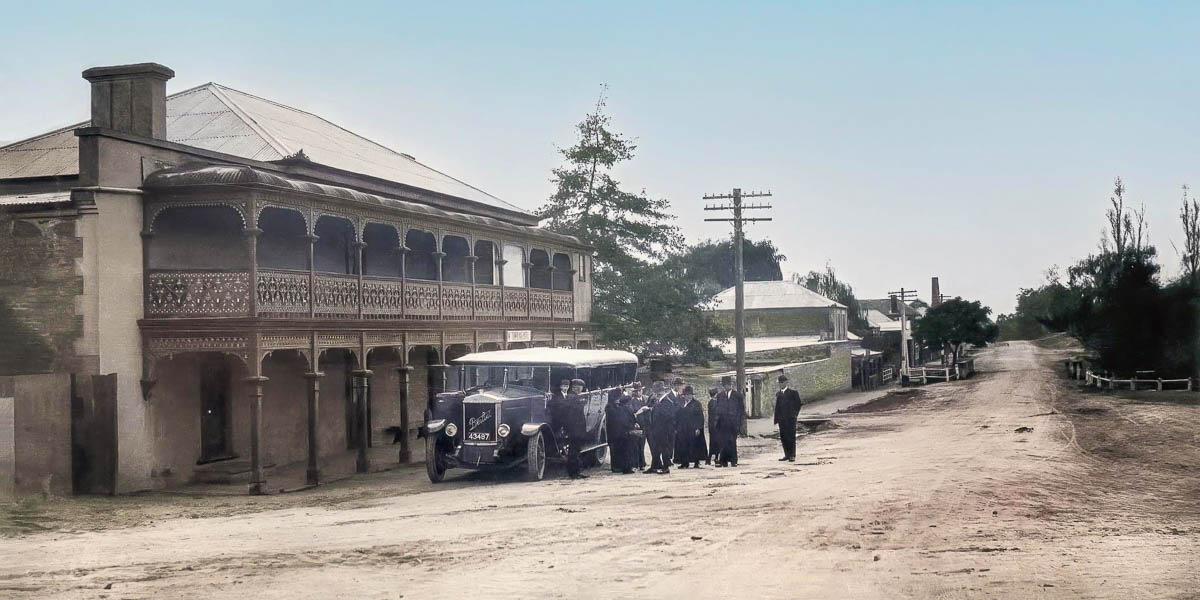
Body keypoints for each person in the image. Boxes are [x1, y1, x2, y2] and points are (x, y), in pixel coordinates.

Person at [550, 378, 588, 479]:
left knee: (575, 451)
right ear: (575, 387)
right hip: (575, 429)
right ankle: (574, 473)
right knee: (574, 452)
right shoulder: (573, 398)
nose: (580, 389)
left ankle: (576, 472)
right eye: (579, 387)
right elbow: (570, 415)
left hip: (575, 429)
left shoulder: (571, 397)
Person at [713, 376, 744, 467]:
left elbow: (741, 410)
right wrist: (717, 422)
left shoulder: (737, 396)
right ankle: (723, 461)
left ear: (731, 385)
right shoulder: (720, 396)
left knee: (732, 441)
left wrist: (739, 423)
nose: (726, 387)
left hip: (733, 423)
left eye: (728, 385)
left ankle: (733, 460)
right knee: (723, 442)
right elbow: (718, 409)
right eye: (725, 385)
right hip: (723, 423)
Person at [647, 381, 677, 474]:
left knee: (664, 448)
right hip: (657, 429)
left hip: (664, 430)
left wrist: (657, 407)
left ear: (662, 392)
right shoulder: (659, 402)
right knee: (656, 449)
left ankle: (666, 467)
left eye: (658, 392)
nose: (656, 394)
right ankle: (654, 466)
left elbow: (669, 416)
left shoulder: (667, 402)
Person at [675, 386, 707, 468]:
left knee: (695, 445)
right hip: (683, 428)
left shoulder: (696, 404)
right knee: (683, 445)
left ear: (692, 395)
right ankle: (684, 462)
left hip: (693, 428)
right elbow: (677, 416)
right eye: (686, 394)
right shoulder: (681, 404)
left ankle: (696, 462)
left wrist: (698, 428)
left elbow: (700, 417)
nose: (688, 396)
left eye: (689, 394)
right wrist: (677, 427)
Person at [605, 388, 636, 474]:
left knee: (623, 450)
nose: (618, 400)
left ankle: (625, 467)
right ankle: (616, 467)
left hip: (621, 433)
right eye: (617, 398)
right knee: (615, 451)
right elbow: (617, 417)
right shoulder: (609, 407)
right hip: (614, 434)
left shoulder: (620, 406)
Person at [774, 374, 802, 462]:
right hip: (782, 420)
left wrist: (794, 415)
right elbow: (777, 407)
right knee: (783, 437)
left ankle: (792, 455)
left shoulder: (793, 393)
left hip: (790, 419)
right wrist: (777, 419)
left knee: (791, 437)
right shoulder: (778, 394)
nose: (780, 384)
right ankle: (786, 454)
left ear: (786, 382)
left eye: (782, 382)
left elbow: (798, 405)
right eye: (779, 383)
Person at [627, 383, 648, 471]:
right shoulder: (631, 402)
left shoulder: (646, 399)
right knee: (636, 445)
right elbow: (631, 414)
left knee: (642, 445)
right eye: (637, 391)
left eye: (640, 390)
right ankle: (636, 463)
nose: (639, 392)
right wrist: (634, 422)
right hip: (637, 425)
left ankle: (642, 463)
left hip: (645, 425)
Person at [706, 386, 721, 465]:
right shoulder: (713, 402)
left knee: (713, 442)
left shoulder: (711, 402)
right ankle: (713, 458)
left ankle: (711, 458)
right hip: (715, 426)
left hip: (712, 426)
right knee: (715, 443)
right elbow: (715, 414)